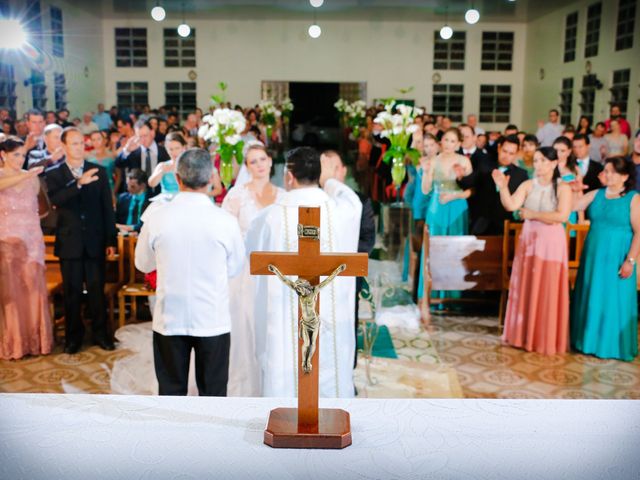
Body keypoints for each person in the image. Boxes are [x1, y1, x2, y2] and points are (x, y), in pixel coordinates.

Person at [245, 147, 362, 398]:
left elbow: (251, 258)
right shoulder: (341, 213)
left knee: (289, 360)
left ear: (289, 176)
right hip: (326, 318)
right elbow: (353, 200)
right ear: (318, 176)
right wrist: (328, 180)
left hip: (285, 318)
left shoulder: (268, 218)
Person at [135, 148, 245, 396]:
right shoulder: (225, 221)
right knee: (213, 394)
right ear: (210, 180)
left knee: (171, 392)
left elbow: (143, 264)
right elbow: (236, 267)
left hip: (169, 317)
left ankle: (174, 435)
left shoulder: (157, 218)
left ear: (177, 178)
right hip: (211, 316)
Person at [493, 147, 572, 355]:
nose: (538, 165)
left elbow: (562, 216)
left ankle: (545, 337)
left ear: (554, 164)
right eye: (536, 161)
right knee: (527, 285)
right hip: (529, 240)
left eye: (543, 161)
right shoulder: (528, 184)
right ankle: (522, 334)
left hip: (551, 242)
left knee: (547, 286)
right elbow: (511, 205)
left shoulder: (563, 188)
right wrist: (503, 187)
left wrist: (533, 214)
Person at [45, 127, 117, 354]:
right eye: (74, 143)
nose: (79, 147)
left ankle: (101, 334)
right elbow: (56, 200)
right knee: (72, 292)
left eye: (80, 143)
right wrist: (77, 184)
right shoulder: (54, 173)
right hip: (70, 241)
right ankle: (73, 338)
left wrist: (110, 240)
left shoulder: (99, 170)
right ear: (64, 146)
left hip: (95, 239)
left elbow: (107, 208)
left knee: (96, 291)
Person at [221, 144, 284, 396]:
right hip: (244, 271)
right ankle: (243, 383)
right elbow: (225, 232)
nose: (259, 165)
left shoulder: (282, 196)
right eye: (253, 162)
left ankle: (272, 380)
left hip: (274, 270)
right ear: (246, 167)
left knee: (270, 322)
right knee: (245, 323)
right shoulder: (236, 195)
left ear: (270, 162)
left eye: (262, 159)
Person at [571, 156, 639, 361]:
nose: (607, 174)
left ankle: (611, 346)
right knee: (592, 295)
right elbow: (572, 207)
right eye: (606, 170)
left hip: (618, 255)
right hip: (594, 254)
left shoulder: (634, 198)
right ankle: (587, 341)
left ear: (625, 176)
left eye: (612, 171)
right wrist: (574, 188)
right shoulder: (596, 194)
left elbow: (639, 232)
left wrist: (630, 260)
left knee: (613, 299)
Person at [320, 149, 375, 366]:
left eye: (335, 167)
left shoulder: (358, 201)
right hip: (318, 273)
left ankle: (346, 368)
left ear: (343, 170)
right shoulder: (313, 199)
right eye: (327, 168)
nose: (332, 173)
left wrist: (343, 264)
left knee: (347, 321)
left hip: (347, 274)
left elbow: (367, 239)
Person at [0, 137, 53, 360]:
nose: (20, 159)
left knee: (33, 289)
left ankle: (37, 342)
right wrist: (25, 175)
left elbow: (42, 210)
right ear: (3, 155)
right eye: (15, 155)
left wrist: (31, 177)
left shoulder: (32, 179)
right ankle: (14, 343)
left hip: (32, 241)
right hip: (6, 242)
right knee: (11, 293)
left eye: (23, 155)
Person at [421, 128, 472, 302]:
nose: (449, 144)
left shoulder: (464, 161)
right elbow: (425, 189)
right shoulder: (433, 161)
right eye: (446, 140)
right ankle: (432, 294)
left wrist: (454, 194)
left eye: (453, 141)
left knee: (454, 247)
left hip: (457, 206)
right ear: (441, 142)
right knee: (434, 247)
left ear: (458, 144)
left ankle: (453, 296)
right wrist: (427, 172)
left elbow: (471, 190)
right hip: (437, 205)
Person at [455, 135, 529, 235]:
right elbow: (468, 183)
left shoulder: (521, 174)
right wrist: (460, 177)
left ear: (516, 154)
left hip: (506, 224)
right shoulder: (484, 165)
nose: (506, 156)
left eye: (511, 153)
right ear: (499, 148)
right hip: (481, 222)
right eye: (504, 151)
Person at [116, 120, 169, 193]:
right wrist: (127, 150)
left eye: (145, 136)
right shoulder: (132, 151)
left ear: (152, 133)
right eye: (140, 136)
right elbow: (118, 164)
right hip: (139, 195)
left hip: (160, 193)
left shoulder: (165, 151)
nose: (143, 139)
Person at [115, 169, 151, 235]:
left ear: (143, 185)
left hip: (143, 235)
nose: (128, 188)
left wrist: (131, 228)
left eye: (132, 186)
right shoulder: (122, 198)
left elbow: (149, 223)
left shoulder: (151, 201)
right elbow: (116, 218)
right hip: (122, 236)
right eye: (127, 185)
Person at [86, 130, 118, 197]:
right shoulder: (87, 156)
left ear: (104, 140)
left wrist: (114, 191)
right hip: (92, 190)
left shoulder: (112, 155)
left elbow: (119, 176)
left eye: (98, 139)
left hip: (109, 189)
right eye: (93, 140)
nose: (96, 142)